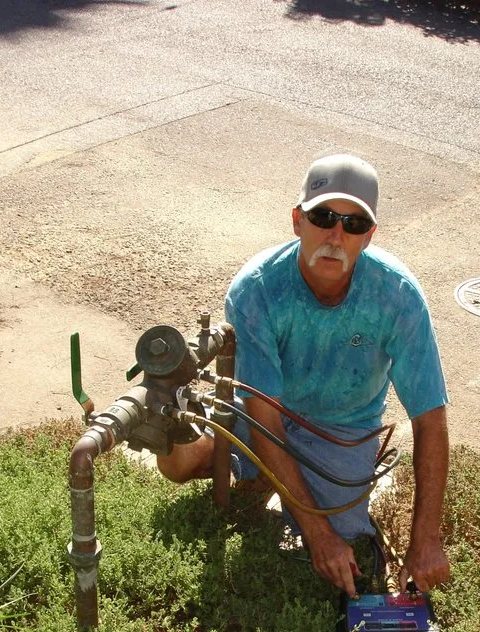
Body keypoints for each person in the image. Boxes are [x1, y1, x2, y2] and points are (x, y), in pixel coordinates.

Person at [158, 153, 450, 598]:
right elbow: (265, 415)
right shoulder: (257, 289)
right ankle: (250, 476)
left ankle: (275, 485)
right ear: (297, 220)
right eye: (323, 217)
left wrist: (426, 537)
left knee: (348, 555)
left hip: (341, 430)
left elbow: (430, 418)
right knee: (176, 462)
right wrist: (317, 535)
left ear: (368, 236)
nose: (336, 235)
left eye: (353, 225)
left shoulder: (398, 297)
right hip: (265, 415)